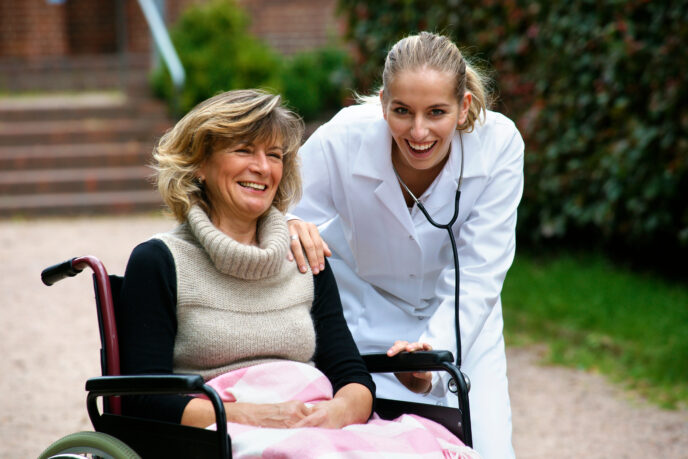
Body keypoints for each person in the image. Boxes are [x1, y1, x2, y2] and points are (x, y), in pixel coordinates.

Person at [288, 31, 524, 459]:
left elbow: (479, 271)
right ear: (382, 104)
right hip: (363, 308)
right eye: (402, 111)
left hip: (463, 317)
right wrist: (290, 224)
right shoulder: (343, 138)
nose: (418, 131)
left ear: (464, 106)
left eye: (437, 112)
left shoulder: (499, 146)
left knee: (487, 449)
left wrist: (433, 356)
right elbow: (280, 207)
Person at [117, 89, 375, 431]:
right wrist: (249, 416)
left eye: (275, 155)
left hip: (317, 429)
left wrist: (337, 413)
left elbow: (352, 375)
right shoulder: (160, 262)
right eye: (243, 150)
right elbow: (143, 399)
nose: (263, 167)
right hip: (219, 436)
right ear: (199, 164)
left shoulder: (303, 254)